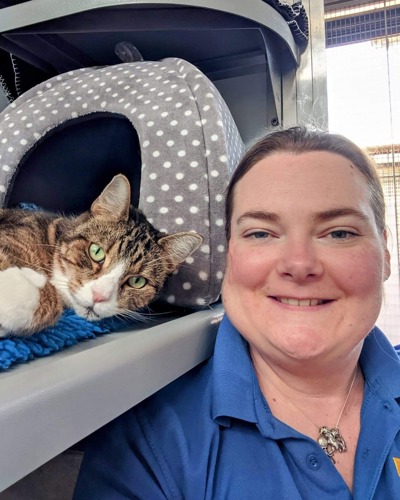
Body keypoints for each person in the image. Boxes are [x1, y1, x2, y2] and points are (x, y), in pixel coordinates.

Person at [73, 126, 400, 499]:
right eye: (261, 233)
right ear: (229, 255)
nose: (298, 263)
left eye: (339, 233)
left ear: (386, 254)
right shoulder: (145, 443)